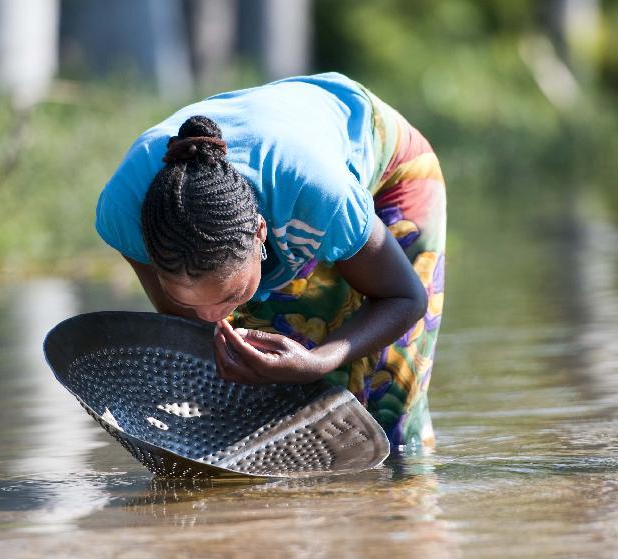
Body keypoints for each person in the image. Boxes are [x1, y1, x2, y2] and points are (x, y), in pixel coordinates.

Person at [95, 73, 445, 446]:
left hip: (384, 161)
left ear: (261, 232)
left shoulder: (320, 194)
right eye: (187, 300)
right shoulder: (125, 215)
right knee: (261, 393)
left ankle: (404, 490)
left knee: (383, 404)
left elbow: (405, 298)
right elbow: (190, 332)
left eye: (230, 296)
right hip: (287, 192)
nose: (214, 317)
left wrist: (319, 362)